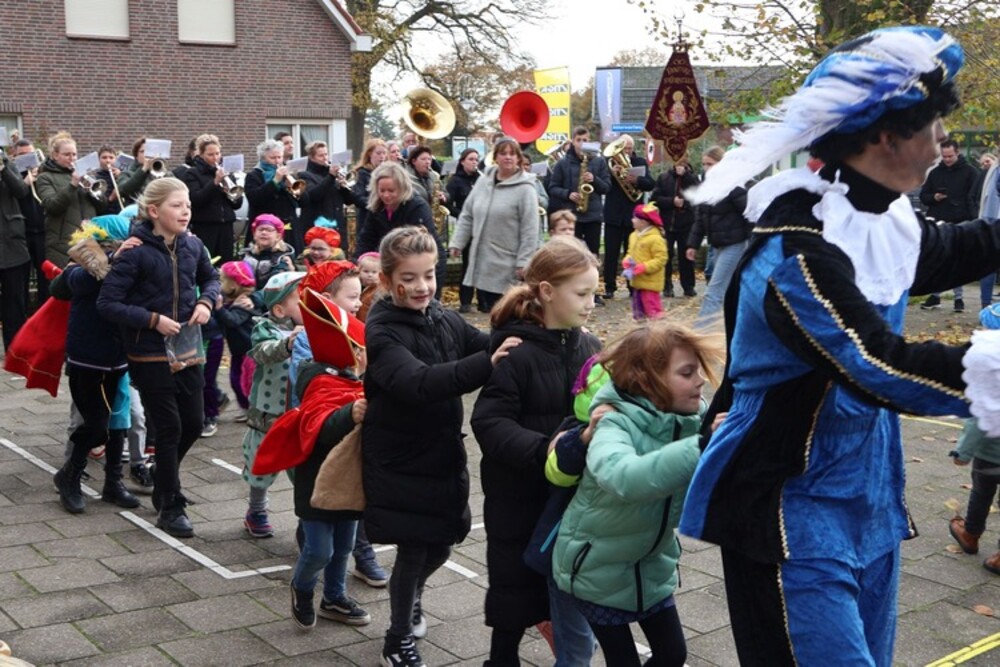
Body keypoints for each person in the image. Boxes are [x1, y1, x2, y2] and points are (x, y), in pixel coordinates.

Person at [677, 26, 1000, 666]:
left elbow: (956, 249)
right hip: (789, 505)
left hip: (868, 495)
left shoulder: (879, 217)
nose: (942, 140)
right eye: (931, 125)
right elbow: (874, 363)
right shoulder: (796, 247)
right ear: (884, 136)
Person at [362, 226, 520, 667]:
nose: (422, 286)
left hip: (442, 453)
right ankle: (397, 640)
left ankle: (412, 596)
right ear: (387, 280)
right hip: (400, 458)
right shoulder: (382, 331)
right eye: (409, 278)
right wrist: (486, 365)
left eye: (429, 275)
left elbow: (482, 342)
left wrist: (524, 332)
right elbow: (417, 383)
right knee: (414, 547)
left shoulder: (440, 316)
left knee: (444, 542)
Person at [553, 323, 724, 667]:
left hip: (650, 567)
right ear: (648, 381)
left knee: (672, 654)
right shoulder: (613, 423)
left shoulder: (690, 420)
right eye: (687, 372)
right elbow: (626, 478)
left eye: (698, 371)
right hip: (597, 569)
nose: (700, 381)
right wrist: (702, 447)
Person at [470, 236, 601, 666]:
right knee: (513, 591)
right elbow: (489, 422)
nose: (591, 304)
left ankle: (566, 645)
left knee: (566, 584)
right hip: (518, 496)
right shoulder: (516, 352)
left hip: (568, 498)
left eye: (594, 293)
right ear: (547, 292)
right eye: (581, 294)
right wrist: (548, 449)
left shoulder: (590, 347)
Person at [98, 177, 220, 538]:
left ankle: (164, 478)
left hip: (187, 348)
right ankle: (170, 505)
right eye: (177, 206)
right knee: (169, 428)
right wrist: (152, 320)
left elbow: (211, 279)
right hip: (148, 352)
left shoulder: (193, 245)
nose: (185, 212)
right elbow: (108, 303)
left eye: (188, 205)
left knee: (193, 423)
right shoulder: (135, 251)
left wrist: (205, 302)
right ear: (154, 210)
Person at [52, 216, 141, 514]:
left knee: (117, 421)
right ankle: (69, 476)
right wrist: (114, 258)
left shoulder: (129, 267)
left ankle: (113, 482)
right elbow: (76, 282)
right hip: (87, 358)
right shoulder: (81, 266)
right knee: (95, 423)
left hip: (117, 356)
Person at [241, 271, 306, 538]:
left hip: (298, 412)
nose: (308, 304)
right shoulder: (264, 328)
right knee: (261, 462)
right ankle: (256, 510)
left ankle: (307, 518)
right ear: (280, 310)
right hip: (267, 413)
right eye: (300, 300)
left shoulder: (314, 328)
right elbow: (262, 352)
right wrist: (287, 344)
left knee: (301, 467)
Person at [449, 138, 540, 313]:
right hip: (483, 262)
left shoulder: (526, 189)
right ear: (496, 157)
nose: (508, 157)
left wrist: (524, 261)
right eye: (503, 153)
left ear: (519, 158)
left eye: (512, 154)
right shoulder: (483, 182)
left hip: (508, 263)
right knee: (490, 312)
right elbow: (468, 214)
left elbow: (530, 229)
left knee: (508, 312)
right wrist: (457, 242)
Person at [948, 303, 1000, 575]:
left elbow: (976, 420)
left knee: (981, 494)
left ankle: (970, 534)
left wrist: (962, 452)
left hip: (990, 456)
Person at [354, 162, 442, 299]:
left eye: (391, 191)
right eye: (382, 190)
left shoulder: (417, 207)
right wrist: (357, 263)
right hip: (390, 265)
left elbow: (425, 244)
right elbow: (367, 238)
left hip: (414, 265)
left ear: (402, 188)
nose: (386, 195)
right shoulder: (377, 207)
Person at [685, 146, 750, 328]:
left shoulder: (734, 186)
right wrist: (693, 244)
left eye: (710, 164)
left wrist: (754, 243)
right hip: (717, 244)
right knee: (729, 290)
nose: (706, 168)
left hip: (735, 243)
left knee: (713, 291)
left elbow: (750, 214)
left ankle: (700, 332)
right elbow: (700, 218)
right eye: (704, 164)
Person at [547, 127, 611, 302]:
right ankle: (572, 291)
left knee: (593, 255)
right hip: (572, 216)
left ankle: (593, 292)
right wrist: (568, 194)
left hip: (593, 215)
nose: (582, 144)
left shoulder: (599, 162)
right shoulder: (562, 163)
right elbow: (552, 187)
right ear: (573, 141)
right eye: (579, 140)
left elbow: (607, 187)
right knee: (572, 255)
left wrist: (594, 180)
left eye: (585, 140)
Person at [918, 138, 981, 311]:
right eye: (944, 156)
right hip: (939, 219)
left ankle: (958, 297)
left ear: (957, 153)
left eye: (950, 156)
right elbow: (924, 196)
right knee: (937, 259)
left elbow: (973, 198)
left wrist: (972, 219)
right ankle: (936, 295)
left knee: (957, 260)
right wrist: (934, 197)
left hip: (960, 221)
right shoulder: (935, 173)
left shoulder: (970, 172)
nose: (947, 159)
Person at [36, 132, 107, 267]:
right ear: (55, 155)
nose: (72, 158)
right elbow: (52, 206)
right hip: (63, 243)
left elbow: (102, 207)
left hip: (89, 238)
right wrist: (73, 184)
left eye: (74, 154)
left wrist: (92, 192)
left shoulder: (85, 176)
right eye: (67, 155)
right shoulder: (45, 177)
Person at [601, 135, 655, 300]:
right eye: (624, 148)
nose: (627, 152)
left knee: (632, 253)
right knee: (611, 253)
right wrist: (613, 174)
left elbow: (650, 184)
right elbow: (604, 185)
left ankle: (632, 287)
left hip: (633, 217)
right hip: (613, 215)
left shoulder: (639, 162)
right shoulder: (609, 163)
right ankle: (609, 287)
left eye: (630, 148)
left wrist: (637, 180)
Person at [180, 134, 242, 264]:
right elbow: (196, 199)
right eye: (210, 154)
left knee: (226, 264)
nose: (215, 158)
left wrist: (229, 192)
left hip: (226, 226)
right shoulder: (192, 173)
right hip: (205, 226)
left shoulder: (226, 173)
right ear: (201, 155)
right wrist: (214, 183)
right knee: (206, 263)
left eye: (217, 153)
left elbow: (237, 204)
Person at [214, 261, 263, 425]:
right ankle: (245, 407)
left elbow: (233, 321)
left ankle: (251, 408)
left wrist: (219, 309)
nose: (220, 284)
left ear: (233, 284)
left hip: (247, 351)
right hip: (238, 350)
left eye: (222, 280)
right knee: (235, 380)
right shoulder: (233, 300)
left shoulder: (243, 303)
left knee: (244, 381)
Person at [298, 141, 355, 254]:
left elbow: (349, 201)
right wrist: (330, 177)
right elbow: (314, 196)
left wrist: (344, 186)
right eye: (321, 155)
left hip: (337, 228)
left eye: (326, 154)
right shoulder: (305, 175)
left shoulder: (333, 176)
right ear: (311, 157)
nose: (325, 158)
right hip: (319, 230)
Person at [653, 158, 699, 298]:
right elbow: (655, 198)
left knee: (686, 256)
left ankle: (688, 286)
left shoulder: (692, 178)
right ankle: (667, 286)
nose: (680, 166)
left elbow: (697, 196)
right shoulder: (664, 177)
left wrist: (686, 177)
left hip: (686, 223)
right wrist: (671, 202)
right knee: (666, 254)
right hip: (667, 223)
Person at [11, 140, 48, 305]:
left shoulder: (43, 174)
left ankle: (43, 311)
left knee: (44, 275)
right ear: (14, 156)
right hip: (21, 233)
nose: (27, 158)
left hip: (42, 231)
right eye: (22, 155)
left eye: (30, 154)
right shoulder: (11, 177)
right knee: (22, 277)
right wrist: (25, 182)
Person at [0, 150, 31, 349]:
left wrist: (3, 169)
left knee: (15, 301)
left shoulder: (6, 163)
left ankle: (15, 349)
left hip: (12, 243)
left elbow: (21, 191)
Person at [244, 139, 298, 248]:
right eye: (273, 158)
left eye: (279, 157)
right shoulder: (254, 175)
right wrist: (275, 181)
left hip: (289, 228)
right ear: (263, 158)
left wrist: (291, 188)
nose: (277, 161)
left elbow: (304, 201)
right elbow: (255, 198)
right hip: (265, 227)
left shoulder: (289, 173)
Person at [446, 148, 481, 313]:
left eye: (476, 159)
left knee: (483, 264)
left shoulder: (481, 179)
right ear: (462, 162)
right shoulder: (455, 181)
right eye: (471, 159)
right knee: (468, 264)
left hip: (481, 226)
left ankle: (484, 301)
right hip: (467, 227)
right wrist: (462, 215)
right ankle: (465, 301)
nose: (474, 162)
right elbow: (448, 203)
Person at [622, 203, 668, 321]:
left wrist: (644, 267)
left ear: (643, 222)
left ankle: (657, 328)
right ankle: (641, 327)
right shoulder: (633, 236)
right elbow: (630, 252)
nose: (632, 220)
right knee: (638, 310)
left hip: (650, 282)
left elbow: (661, 259)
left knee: (653, 309)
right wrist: (627, 260)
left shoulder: (656, 239)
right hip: (637, 281)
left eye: (634, 218)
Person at [241, 214, 296, 290]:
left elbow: (276, 287)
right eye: (260, 229)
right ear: (254, 234)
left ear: (278, 236)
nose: (264, 232)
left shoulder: (282, 258)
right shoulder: (247, 254)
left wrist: (252, 296)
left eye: (269, 230)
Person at [976, 154, 1000, 308]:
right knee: (987, 265)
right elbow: (985, 196)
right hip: (990, 221)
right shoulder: (993, 169)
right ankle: (985, 304)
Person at [353, 139, 388, 240]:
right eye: (378, 153)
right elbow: (357, 197)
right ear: (369, 154)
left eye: (384, 153)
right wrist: (377, 204)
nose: (382, 156)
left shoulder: (388, 172)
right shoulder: (362, 173)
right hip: (367, 219)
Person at [117, 137, 157, 205]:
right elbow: (123, 191)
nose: (146, 155)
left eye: (149, 151)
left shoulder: (162, 172)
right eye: (142, 151)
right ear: (136, 156)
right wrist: (143, 169)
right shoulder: (126, 174)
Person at [356, 252, 380, 321]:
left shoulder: (378, 290)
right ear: (359, 271)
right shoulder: (358, 285)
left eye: (374, 272)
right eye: (366, 271)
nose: (370, 275)